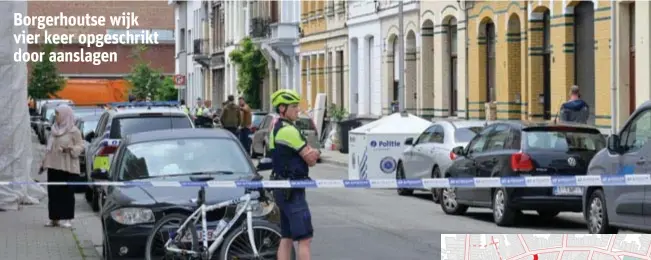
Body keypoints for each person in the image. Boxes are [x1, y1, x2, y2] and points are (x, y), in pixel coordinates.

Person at [269, 89, 320, 260]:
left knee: (287, 237)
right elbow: (311, 159)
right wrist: (316, 152)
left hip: (281, 188)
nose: (298, 109)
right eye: (294, 106)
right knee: (305, 238)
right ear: (282, 108)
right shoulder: (289, 131)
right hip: (292, 191)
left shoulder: (275, 128)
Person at [40, 105, 85, 228]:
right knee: (53, 193)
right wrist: (43, 162)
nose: (56, 116)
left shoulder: (74, 131)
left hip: (67, 166)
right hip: (53, 165)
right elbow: (49, 148)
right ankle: (54, 218)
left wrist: (71, 149)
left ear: (65, 115)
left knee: (66, 193)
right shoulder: (54, 129)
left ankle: (68, 218)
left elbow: (81, 146)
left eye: (58, 114)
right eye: (56, 113)